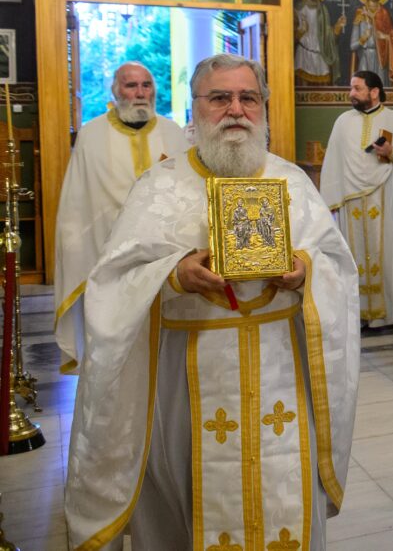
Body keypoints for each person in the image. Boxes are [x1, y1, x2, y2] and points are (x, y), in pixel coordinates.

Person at [65, 54, 361, 549]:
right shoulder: (159, 186)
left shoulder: (292, 182)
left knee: (283, 496)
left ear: (264, 107)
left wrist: (306, 269)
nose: (236, 110)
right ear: (195, 107)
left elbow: (338, 265)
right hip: (186, 378)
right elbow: (113, 281)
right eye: (220, 97)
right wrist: (175, 273)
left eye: (249, 98)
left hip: (282, 371)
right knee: (185, 501)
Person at [53, 61, 189, 373]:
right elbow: (79, 202)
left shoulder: (173, 132)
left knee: (161, 350)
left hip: (163, 256)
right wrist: (75, 248)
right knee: (113, 350)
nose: (140, 93)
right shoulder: (91, 135)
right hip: (107, 252)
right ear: (116, 91)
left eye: (146, 85)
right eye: (131, 85)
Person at [321, 69, 393, 328]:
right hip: (350, 200)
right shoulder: (343, 122)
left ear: (374, 92)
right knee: (354, 257)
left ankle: (391, 314)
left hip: (386, 196)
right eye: (351, 88)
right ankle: (358, 314)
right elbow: (332, 163)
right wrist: (330, 201)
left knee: (388, 255)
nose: (351, 93)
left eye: (357, 88)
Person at [295, 0, 346, 85]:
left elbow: (327, 36)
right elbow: (289, 38)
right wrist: (301, 31)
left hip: (321, 55)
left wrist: (337, 27)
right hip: (303, 55)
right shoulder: (298, 9)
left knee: (324, 89)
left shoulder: (323, 9)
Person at [350, 0, 393, 87]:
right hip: (365, 58)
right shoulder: (360, 14)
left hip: (381, 60)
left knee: (379, 89)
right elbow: (352, 46)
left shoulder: (384, 13)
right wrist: (363, 38)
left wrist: (384, 37)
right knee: (364, 88)